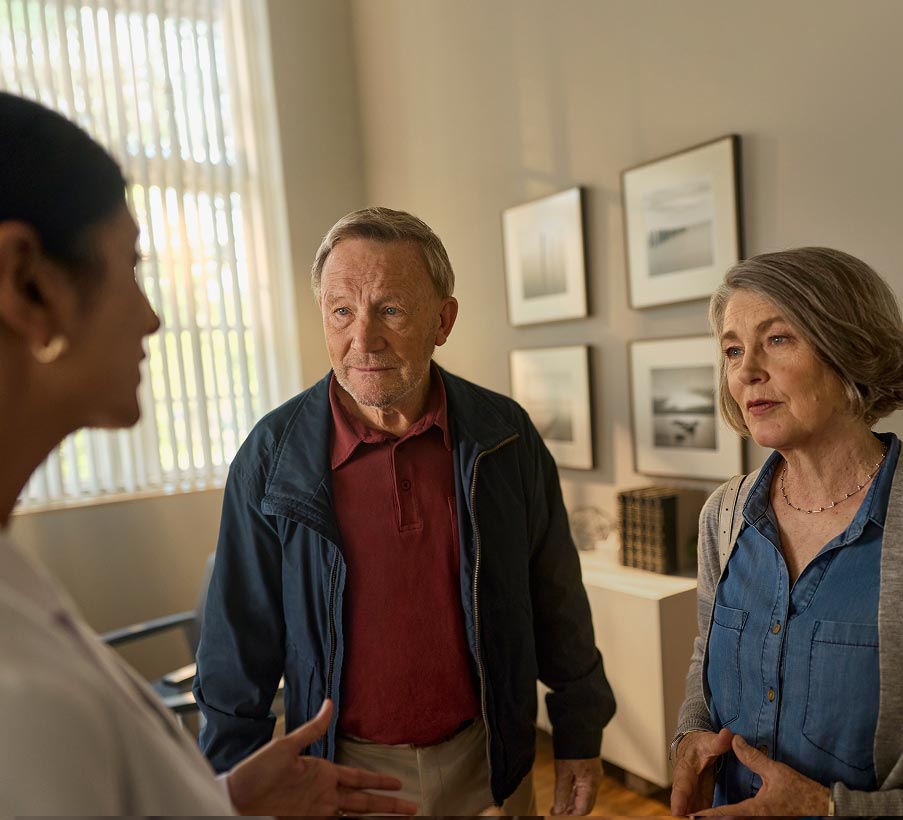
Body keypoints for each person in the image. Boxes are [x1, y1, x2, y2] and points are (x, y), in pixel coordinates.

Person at [0, 92, 417, 817]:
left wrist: (225, 800)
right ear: (28, 285)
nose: (152, 317)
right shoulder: (18, 695)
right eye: (130, 266)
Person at [193, 206, 616, 814]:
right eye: (342, 311)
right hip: (343, 774)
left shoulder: (505, 436)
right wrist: (231, 785)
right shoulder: (271, 456)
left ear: (443, 320)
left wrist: (578, 732)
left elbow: (556, 598)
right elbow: (236, 643)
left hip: (488, 760)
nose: (363, 340)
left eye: (390, 309)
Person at [670, 247, 903, 816]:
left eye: (777, 339)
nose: (746, 370)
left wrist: (828, 808)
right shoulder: (723, 514)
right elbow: (706, 657)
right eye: (733, 350)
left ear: (850, 349)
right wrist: (690, 737)